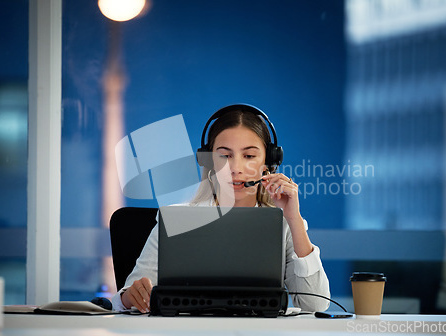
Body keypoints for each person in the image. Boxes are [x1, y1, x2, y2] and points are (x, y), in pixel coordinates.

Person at [111, 104, 330, 313]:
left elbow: (315, 304)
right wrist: (130, 296)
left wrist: (294, 218)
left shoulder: (283, 224)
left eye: (249, 156)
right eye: (224, 156)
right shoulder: (175, 220)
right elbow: (124, 298)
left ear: (268, 163)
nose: (235, 168)